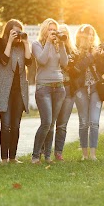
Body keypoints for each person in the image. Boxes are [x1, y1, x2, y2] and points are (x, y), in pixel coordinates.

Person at [0, 19, 32, 164]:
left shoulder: (21, 46)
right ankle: (4, 158)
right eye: (14, 31)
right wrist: (9, 42)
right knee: (5, 125)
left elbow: (29, 62)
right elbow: (4, 60)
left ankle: (13, 157)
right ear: (8, 31)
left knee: (16, 125)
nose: (17, 35)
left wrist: (26, 43)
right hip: (4, 90)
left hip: (19, 90)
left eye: (19, 31)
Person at [31, 18, 68, 164]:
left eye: (55, 29)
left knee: (52, 123)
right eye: (50, 29)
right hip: (43, 88)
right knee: (46, 122)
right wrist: (48, 42)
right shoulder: (37, 44)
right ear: (45, 30)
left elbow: (65, 63)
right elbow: (42, 60)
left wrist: (62, 45)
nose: (53, 32)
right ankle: (35, 156)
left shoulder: (58, 45)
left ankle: (47, 156)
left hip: (59, 87)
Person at [71, 24, 104, 160]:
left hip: (96, 89)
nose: (91, 37)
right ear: (82, 36)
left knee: (94, 122)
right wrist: (91, 56)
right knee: (84, 122)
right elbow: (76, 70)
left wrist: (101, 57)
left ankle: (93, 155)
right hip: (81, 90)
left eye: (92, 34)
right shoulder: (75, 52)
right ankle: (84, 155)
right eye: (88, 34)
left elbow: (102, 71)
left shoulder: (96, 50)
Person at [52, 24, 77, 161]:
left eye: (64, 33)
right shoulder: (51, 48)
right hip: (54, 87)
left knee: (62, 124)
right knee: (50, 121)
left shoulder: (73, 51)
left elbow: (72, 68)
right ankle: (44, 150)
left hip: (68, 89)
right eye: (59, 33)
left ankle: (58, 152)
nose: (62, 36)